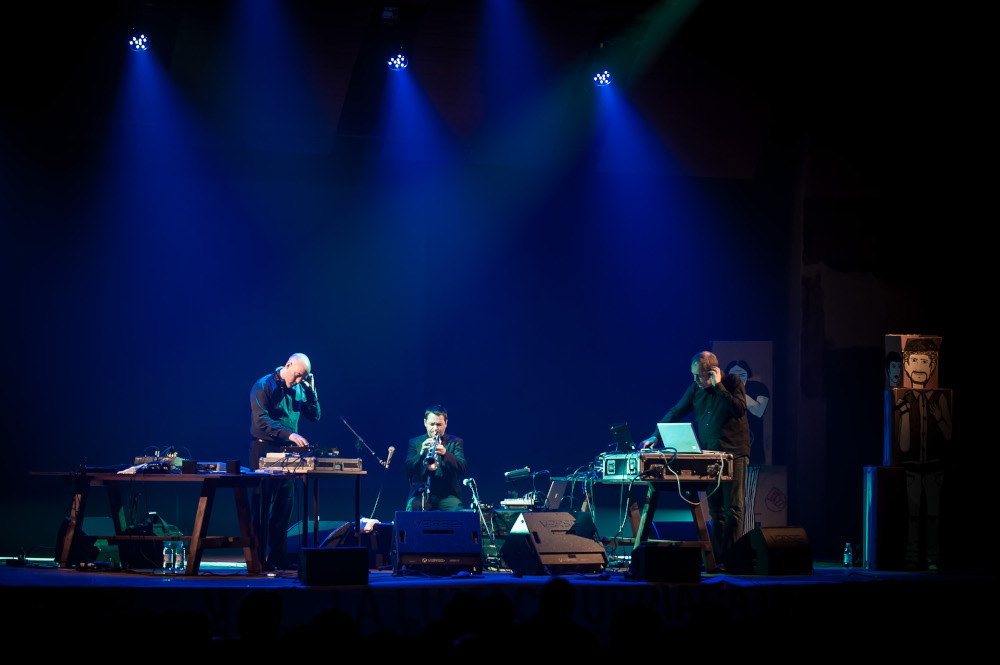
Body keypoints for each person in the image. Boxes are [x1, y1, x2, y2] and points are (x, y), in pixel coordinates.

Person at [640, 351, 750, 567]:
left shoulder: (733, 382)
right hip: (710, 457)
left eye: (699, 376)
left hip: (733, 454)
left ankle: (732, 560)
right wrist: (655, 436)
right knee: (716, 511)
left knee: (733, 510)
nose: (695, 380)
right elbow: (676, 412)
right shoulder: (695, 389)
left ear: (712, 373)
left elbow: (739, 410)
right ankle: (718, 559)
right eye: (694, 376)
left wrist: (719, 387)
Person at [249, 353, 321, 569]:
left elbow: (315, 416)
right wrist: (289, 434)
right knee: (262, 505)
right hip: (265, 448)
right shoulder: (263, 385)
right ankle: (257, 558)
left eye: (303, 378)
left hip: (289, 453)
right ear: (288, 365)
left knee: (284, 505)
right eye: (298, 376)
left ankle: (278, 556)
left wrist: (311, 391)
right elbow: (260, 421)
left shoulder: (300, 387)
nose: (299, 381)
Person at [403, 405, 466, 511]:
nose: (435, 428)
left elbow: (463, 468)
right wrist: (421, 454)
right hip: (421, 493)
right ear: (425, 423)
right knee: (412, 509)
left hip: (448, 494)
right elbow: (406, 472)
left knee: (457, 511)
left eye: (439, 424)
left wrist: (446, 453)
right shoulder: (415, 442)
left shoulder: (455, 442)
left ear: (446, 423)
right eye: (432, 424)